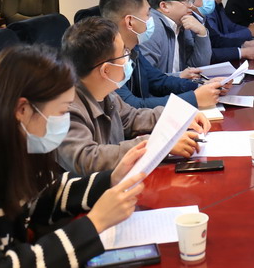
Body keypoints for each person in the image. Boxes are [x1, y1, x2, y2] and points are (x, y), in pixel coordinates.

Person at [0, 44, 147, 266]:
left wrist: (111, 180)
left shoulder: (7, 142)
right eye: (62, 111)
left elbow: (43, 194)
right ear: (22, 110)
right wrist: (94, 224)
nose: (65, 122)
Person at [58, 17, 208, 174]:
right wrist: (157, 144)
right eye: (123, 52)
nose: (128, 56)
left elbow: (132, 118)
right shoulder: (63, 110)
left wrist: (180, 116)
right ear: (106, 70)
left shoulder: (105, 93)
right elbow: (88, 159)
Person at [99, 0, 223, 109]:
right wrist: (194, 98)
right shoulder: (105, 58)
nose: (151, 19)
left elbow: (158, 81)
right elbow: (132, 106)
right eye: (148, 14)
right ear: (130, 22)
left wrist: (202, 85)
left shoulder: (132, 49)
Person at [140, 0, 211, 77]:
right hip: (167, 87)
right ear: (164, 6)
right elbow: (147, 77)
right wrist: (180, 76)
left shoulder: (181, 24)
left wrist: (202, 33)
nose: (191, 5)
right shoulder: (152, 27)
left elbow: (197, 67)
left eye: (191, 0)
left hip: (178, 85)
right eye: (186, 0)